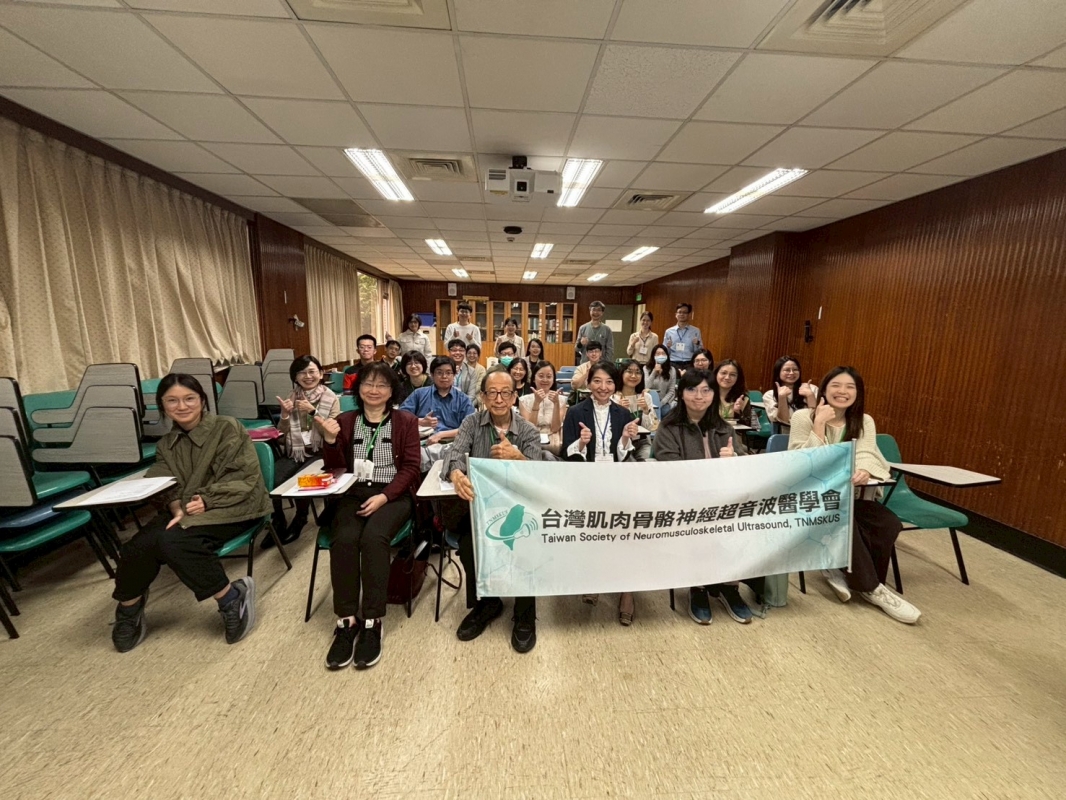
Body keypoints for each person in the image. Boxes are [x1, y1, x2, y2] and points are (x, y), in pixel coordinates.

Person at [109, 374, 270, 653]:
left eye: (189, 398)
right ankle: (129, 607)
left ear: (202, 400)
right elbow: (162, 480)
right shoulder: (166, 443)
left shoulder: (226, 427)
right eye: (172, 400)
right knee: (137, 546)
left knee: (175, 542)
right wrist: (175, 506)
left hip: (236, 505)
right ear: (162, 405)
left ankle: (231, 598)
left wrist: (206, 500)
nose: (182, 406)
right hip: (187, 510)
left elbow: (242, 476)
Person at [789, 367, 919, 625]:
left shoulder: (864, 420)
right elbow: (801, 462)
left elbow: (867, 452)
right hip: (813, 501)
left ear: (858, 393)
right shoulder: (803, 416)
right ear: (824, 389)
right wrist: (819, 424)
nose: (843, 392)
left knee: (888, 522)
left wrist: (864, 469)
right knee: (845, 521)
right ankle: (873, 589)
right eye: (836, 385)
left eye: (850, 387)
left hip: (850, 497)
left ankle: (848, 570)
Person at [317, 363, 421, 670]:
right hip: (352, 492)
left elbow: (411, 468)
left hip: (393, 495)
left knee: (374, 539)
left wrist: (384, 496)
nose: (374, 390)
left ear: (392, 391)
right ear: (358, 387)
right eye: (368, 384)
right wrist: (331, 441)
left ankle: (373, 620)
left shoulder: (405, 421)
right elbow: (334, 467)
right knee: (345, 539)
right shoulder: (345, 421)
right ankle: (346, 620)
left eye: (382, 385)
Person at [443, 368, 551, 653]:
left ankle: (525, 613)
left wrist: (519, 457)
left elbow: (540, 477)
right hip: (481, 507)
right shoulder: (471, 423)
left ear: (515, 397)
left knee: (525, 544)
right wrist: (456, 473)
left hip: (518, 507)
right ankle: (487, 603)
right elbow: (454, 453)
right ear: (483, 396)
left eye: (505, 393)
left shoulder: (527, 430)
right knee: (468, 544)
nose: (499, 399)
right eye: (492, 392)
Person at [653, 370, 755, 625]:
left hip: (723, 499)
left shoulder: (724, 428)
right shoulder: (669, 428)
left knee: (742, 523)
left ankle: (729, 586)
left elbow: (744, 463)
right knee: (702, 525)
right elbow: (669, 468)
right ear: (681, 393)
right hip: (687, 501)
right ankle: (698, 587)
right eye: (692, 389)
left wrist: (734, 459)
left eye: (706, 390)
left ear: (714, 394)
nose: (699, 396)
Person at [562, 361, 640, 625]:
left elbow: (624, 455)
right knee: (592, 534)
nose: (603, 387)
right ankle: (593, 579)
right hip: (587, 482)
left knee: (625, 535)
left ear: (615, 385)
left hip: (617, 483)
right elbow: (566, 452)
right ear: (588, 383)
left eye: (609, 382)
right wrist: (581, 443)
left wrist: (626, 438)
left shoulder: (623, 413)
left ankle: (627, 592)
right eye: (597, 381)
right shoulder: (575, 412)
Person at [266, 355, 340, 548]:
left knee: (301, 480)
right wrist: (284, 415)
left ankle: (300, 517)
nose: (307, 376)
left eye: (312, 371)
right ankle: (278, 520)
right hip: (295, 451)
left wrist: (313, 412)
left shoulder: (331, 398)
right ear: (295, 377)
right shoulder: (291, 397)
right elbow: (281, 435)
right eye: (301, 373)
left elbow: (332, 432)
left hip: (320, 452)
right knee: (271, 479)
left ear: (321, 374)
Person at [399, 355, 475, 446]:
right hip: (422, 443)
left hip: (452, 444)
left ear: (454, 375)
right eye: (439, 373)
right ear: (432, 374)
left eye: (448, 373)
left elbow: (470, 428)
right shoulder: (419, 394)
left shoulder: (463, 399)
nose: (444, 376)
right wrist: (420, 421)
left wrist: (441, 435)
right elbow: (400, 417)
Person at [612, 359, 659, 461]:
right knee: (629, 463)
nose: (633, 376)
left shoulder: (645, 397)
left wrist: (646, 410)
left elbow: (652, 427)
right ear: (621, 374)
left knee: (646, 463)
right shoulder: (613, 398)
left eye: (638, 372)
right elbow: (612, 429)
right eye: (629, 371)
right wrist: (620, 412)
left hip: (642, 442)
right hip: (621, 441)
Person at [519, 360, 566, 456]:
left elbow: (555, 428)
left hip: (554, 443)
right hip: (531, 440)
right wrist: (536, 403)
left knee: (548, 455)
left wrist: (556, 404)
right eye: (541, 376)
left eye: (549, 376)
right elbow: (529, 428)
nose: (545, 380)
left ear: (553, 379)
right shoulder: (524, 400)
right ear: (534, 378)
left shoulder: (561, 400)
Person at [763, 355, 817, 431]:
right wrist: (782, 397)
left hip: (811, 431)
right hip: (786, 434)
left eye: (795, 369)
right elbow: (784, 420)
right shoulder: (769, 395)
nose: (792, 373)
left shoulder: (811, 388)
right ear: (778, 372)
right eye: (787, 370)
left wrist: (810, 396)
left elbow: (817, 416)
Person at [713, 359, 758, 429]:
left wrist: (738, 412)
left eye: (732, 375)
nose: (727, 377)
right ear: (716, 374)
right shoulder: (706, 395)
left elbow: (753, 425)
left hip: (734, 434)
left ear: (738, 378)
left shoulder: (743, 399)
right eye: (723, 373)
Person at [662, 303, 703, 371]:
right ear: (676, 315)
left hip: (689, 363)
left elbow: (700, 351)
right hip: (673, 363)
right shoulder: (669, 331)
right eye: (679, 312)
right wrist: (668, 347)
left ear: (689, 315)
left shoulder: (695, 331)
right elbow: (664, 352)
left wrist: (697, 344)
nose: (682, 314)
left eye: (684, 312)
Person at [643, 343, 678, 411]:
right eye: (658, 354)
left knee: (666, 411)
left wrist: (661, 403)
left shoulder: (672, 370)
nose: (661, 355)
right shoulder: (646, 368)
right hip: (650, 401)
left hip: (665, 402)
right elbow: (647, 386)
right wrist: (654, 371)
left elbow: (671, 390)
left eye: (663, 353)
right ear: (653, 356)